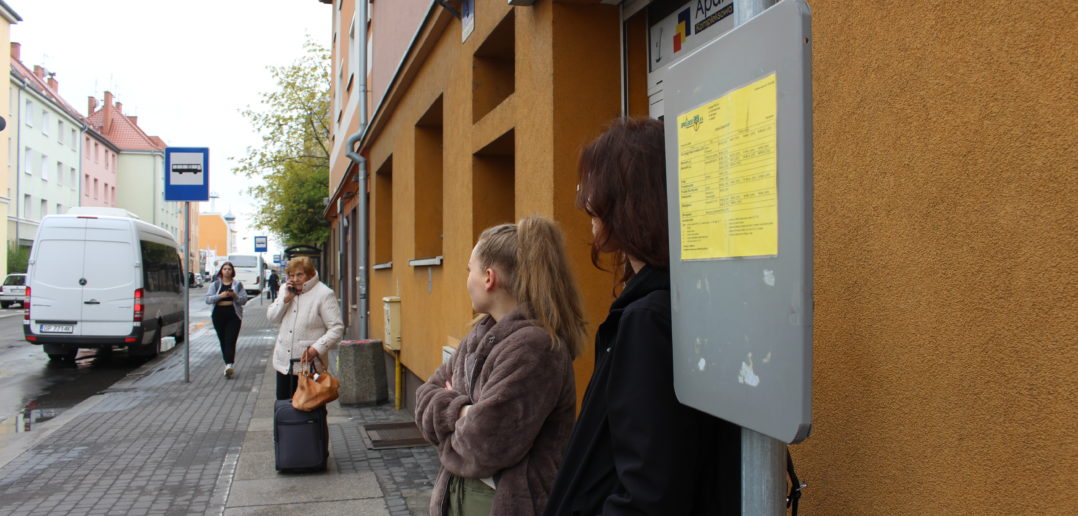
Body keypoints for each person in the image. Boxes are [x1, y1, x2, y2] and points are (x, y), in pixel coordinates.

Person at [544, 118, 740, 516]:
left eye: (593, 186)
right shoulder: (682, 297)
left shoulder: (648, 318)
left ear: (629, 197)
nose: (585, 202)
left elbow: (648, 495)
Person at [416, 216, 588, 516]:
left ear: (489, 277)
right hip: (461, 496)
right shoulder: (478, 337)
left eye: (469, 270)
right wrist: (464, 410)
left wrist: (451, 408)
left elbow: (483, 445)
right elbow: (423, 400)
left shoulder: (535, 348)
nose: (466, 279)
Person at [267, 257, 344, 400]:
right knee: (284, 409)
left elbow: (336, 328)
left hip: (309, 366)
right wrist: (285, 300)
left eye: (299, 274)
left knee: (309, 410)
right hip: (283, 363)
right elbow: (272, 317)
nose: (295, 279)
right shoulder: (285, 289)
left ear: (309, 274)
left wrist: (316, 349)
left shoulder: (324, 294)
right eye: (291, 275)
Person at [204, 262, 249, 378]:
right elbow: (208, 299)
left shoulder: (238, 285)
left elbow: (244, 300)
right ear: (221, 271)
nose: (227, 271)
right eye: (225, 269)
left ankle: (229, 364)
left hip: (233, 316)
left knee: (230, 340)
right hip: (218, 315)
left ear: (232, 271)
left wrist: (235, 296)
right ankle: (227, 363)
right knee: (223, 340)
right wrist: (221, 296)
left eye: (229, 269)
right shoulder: (215, 284)